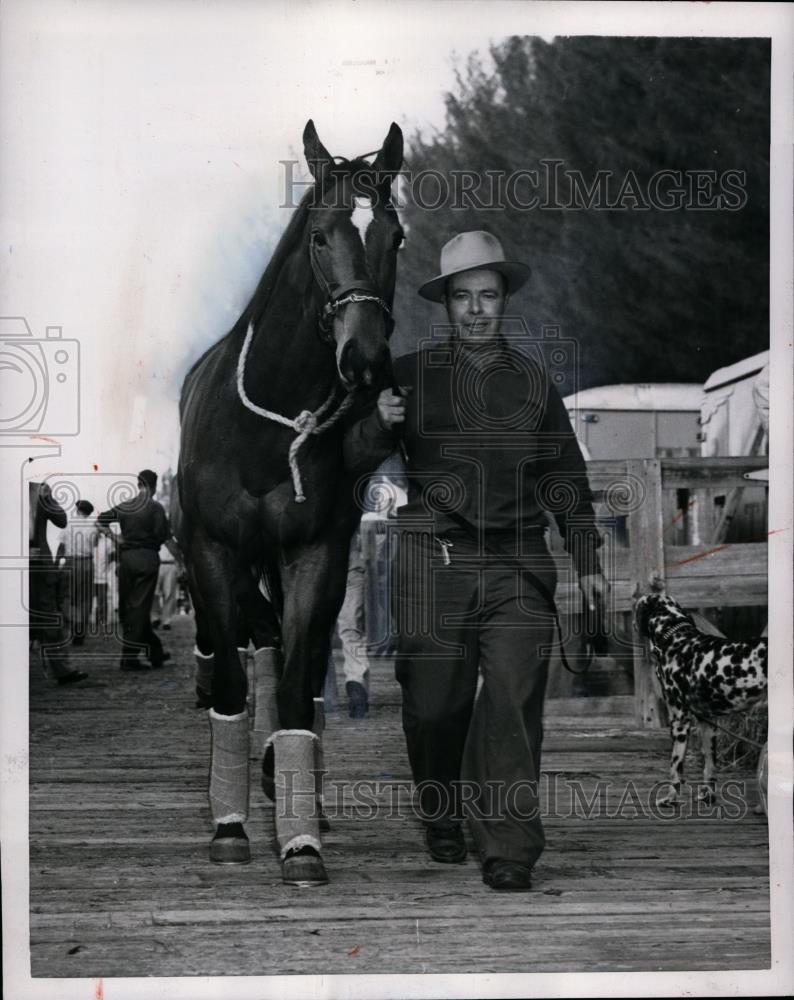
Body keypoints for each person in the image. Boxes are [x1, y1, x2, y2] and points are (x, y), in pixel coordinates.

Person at [344, 230, 608, 892]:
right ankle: (440, 810)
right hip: (431, 560)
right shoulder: (405, 376)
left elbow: (566, 476)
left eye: (487, 296)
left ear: (504, 300)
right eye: (463, 297)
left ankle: (509, 847)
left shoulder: (532, 383)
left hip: (519, 563)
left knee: (513, 703)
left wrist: (586, 554)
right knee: (434, 708)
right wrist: (378, 422)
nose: (475, 309)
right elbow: (349, 460)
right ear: (446, 304)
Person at [97, 469, 171, 671]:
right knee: (139, 609)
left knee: (131, 608)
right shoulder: (156, 508)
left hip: (126, 559)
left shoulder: (126, 505)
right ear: (154, 487)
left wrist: (115, 538)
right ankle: (129, 658)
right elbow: (162, 535)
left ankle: (155, 652)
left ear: (138, 485)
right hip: (147, 559)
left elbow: (100, 521)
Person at [29, 482, 88, 685]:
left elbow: (61, 520)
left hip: (38, 565)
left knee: (49, 616)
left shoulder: (37, 491)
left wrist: (48, 497)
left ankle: (62, 669)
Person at [57, 499, 97, 646]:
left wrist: (57, 565)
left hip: (70, 562)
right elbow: (95, 545)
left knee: (69, 596)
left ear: (77, 510)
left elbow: (61, 547)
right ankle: (80, 631)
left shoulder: (69, 525)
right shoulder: (93, 527)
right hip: (87, 562)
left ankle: (73, 625)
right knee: (85, 598)